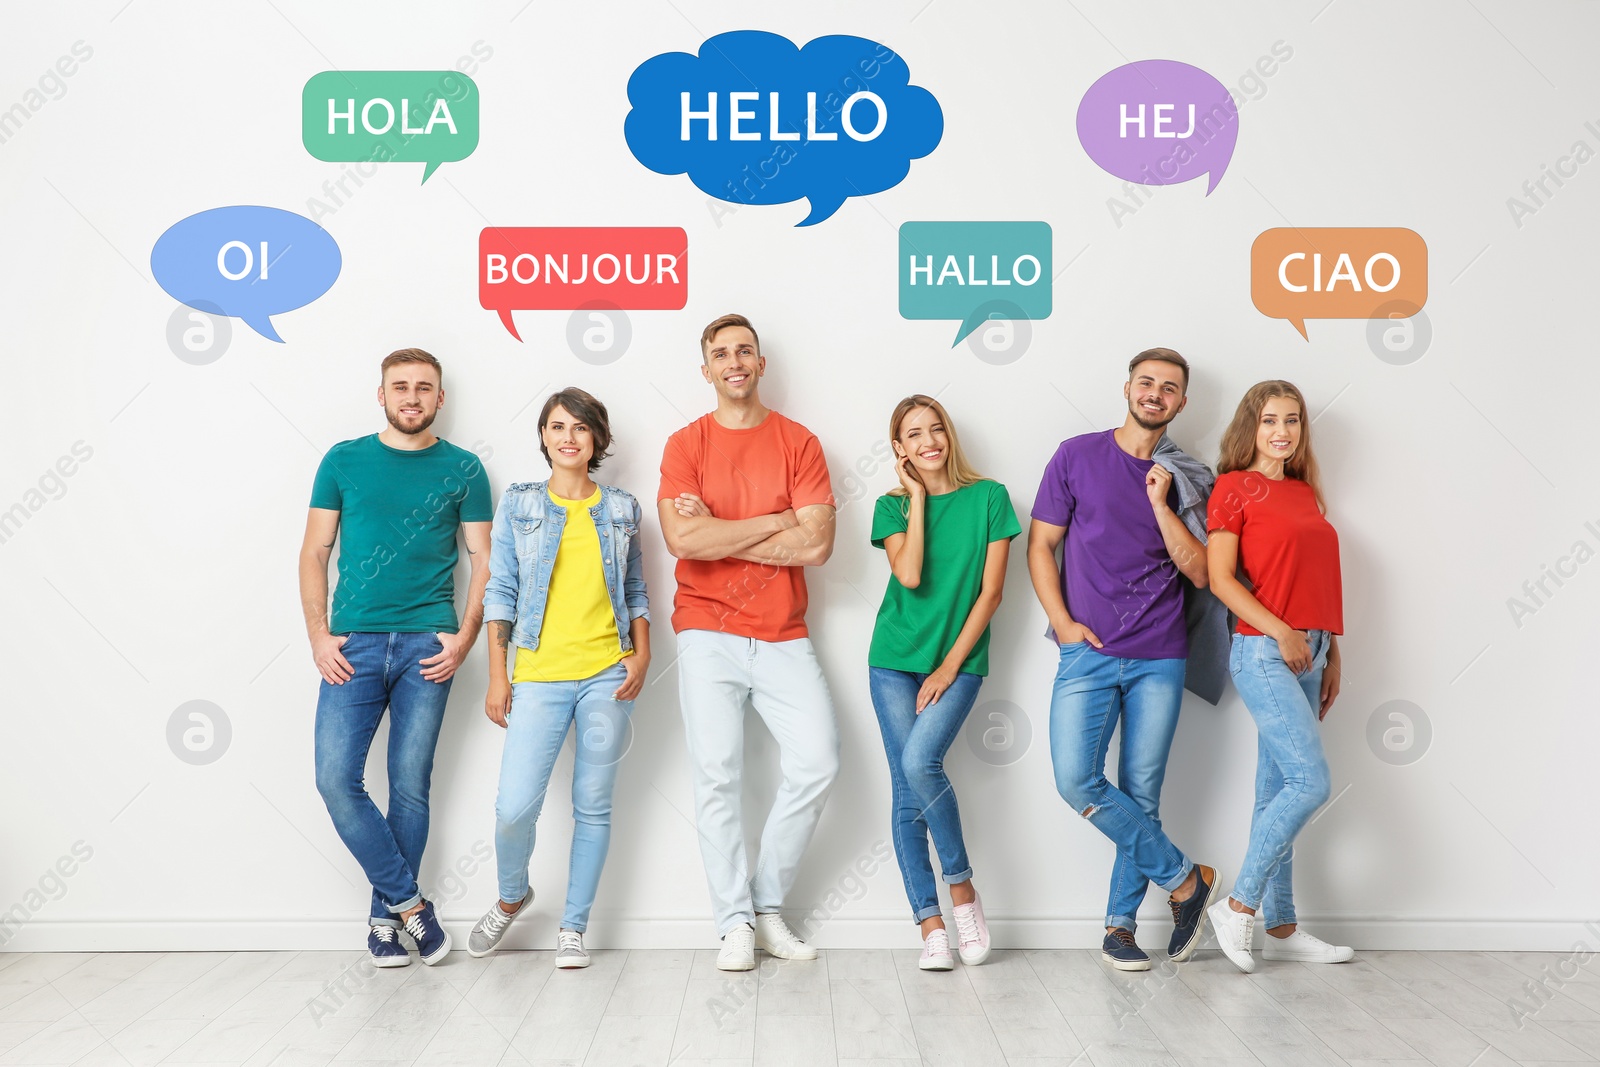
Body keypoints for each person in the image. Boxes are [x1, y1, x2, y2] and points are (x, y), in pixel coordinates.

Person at [1026, 348, 1221, 972]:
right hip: (1086, 653)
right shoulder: (1075, 455)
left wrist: (1163, 504)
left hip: (1159, 654)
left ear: (1181, 403)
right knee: (1075, 779)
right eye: (1146, 383)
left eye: (1169, 388)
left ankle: (1120, 928)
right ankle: (1188, 882)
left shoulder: (1189, 477)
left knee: (1141, 793)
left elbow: (1200, 571)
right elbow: (1041, 546)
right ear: (1128, 389)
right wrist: (1062, 624)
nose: (1155, 394)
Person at [658, 313, 840, 971]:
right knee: (718, 775)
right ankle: (734, 921)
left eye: (744, 351)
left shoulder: (799, 442)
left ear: (760, 363)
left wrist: (723, 527)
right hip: (707, 629)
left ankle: (765, 906)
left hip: (784, 630)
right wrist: (776, 520)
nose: (734, 361)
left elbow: (816, 544)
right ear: (705, 369)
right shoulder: (686, 445)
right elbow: (684, 541)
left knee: (817, 760)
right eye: (720, 353)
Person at [300, 348, 492, 967]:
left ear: (441, 399)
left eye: (425, 388)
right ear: (381, 395)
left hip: (426, 647)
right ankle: (411, 907)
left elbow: (485, 562)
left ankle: (383, 925)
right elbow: (313, 552)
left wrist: (463, 639)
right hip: (351, 645)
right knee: (336, 780)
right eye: (401, 387)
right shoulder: (343, 460)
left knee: (409, 787)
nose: (413, 397)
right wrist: (318, 636)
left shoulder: (464, 469)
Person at [468, 388, 650, 968]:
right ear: (544, 437)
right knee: (514, 808)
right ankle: (512, 895)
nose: (568, 436)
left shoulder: (622, 508)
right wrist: (499, 676)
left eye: (579, 427)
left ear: (596, 437)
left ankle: (573, 928)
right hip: (540, 675)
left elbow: (637, 592)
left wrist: (641, 656)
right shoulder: (519, 505)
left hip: (606, 674)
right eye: (556, 426)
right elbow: (499, 592)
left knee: (592, 805)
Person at [1204, 381, 1351, 972]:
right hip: (1264, 649)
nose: (1282, 431)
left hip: (1312, 650)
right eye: (1270, 420)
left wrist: (1331, 649)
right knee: (1310, 783)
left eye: (1292, 420)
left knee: (1276, 791)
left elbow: (1313, 578)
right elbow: (1221, 579)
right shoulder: (1233, 488)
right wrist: (1284, 633)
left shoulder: (1306, 493)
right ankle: (1238, 906)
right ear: (1251, 427)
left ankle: (1283, 926)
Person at [868, 395, 1019, 970]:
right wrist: (918, 499)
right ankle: (930, 924)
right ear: (900, 450)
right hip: (892, 658)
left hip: (957, 662)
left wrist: (950, 665)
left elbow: (992, 593)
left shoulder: (990, 498)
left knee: (918, 764)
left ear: (949, 437)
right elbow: (908, 575)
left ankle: (962, 891)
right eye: (914, 434)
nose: (929, 440)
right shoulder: (891, 506)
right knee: (906, 787)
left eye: (937, 429)